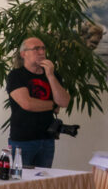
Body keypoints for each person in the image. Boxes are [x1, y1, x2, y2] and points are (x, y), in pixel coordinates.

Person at [6, 36, 70, 168]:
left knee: (44, 179)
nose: (41, 52)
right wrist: (53, 105)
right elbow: (27, 104)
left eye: (43, 48)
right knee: (20, 179)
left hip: (47, 139)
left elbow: (64, 102)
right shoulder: (16, 75)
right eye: (36, 49)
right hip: (22, 141)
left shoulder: (54, 75)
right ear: (23, 54)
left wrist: (50, 75)